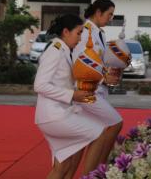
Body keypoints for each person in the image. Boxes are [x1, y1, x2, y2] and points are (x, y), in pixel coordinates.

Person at [34, 14, 115, 178]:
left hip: (58, 114)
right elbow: (40, 85)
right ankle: (89, 176)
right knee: (99, 133)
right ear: (66, 32)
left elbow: (72, 80)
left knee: (63, 166)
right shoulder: (55, 50)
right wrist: (72, 95)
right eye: (78, 33)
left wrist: (100, 81)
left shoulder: (64, 50)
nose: (80, 39)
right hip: (54, 115)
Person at [73, 0, 123, 166]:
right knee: (115, 123)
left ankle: (94, 172)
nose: (111, 18)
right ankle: (99, 168)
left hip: (97, 89)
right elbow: (81, 62)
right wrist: (103, 77)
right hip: (86, 91)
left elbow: (96, 61)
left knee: (96, 135)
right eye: (109, 14)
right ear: (99, 12)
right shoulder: (85, 32)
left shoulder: (98, 33)